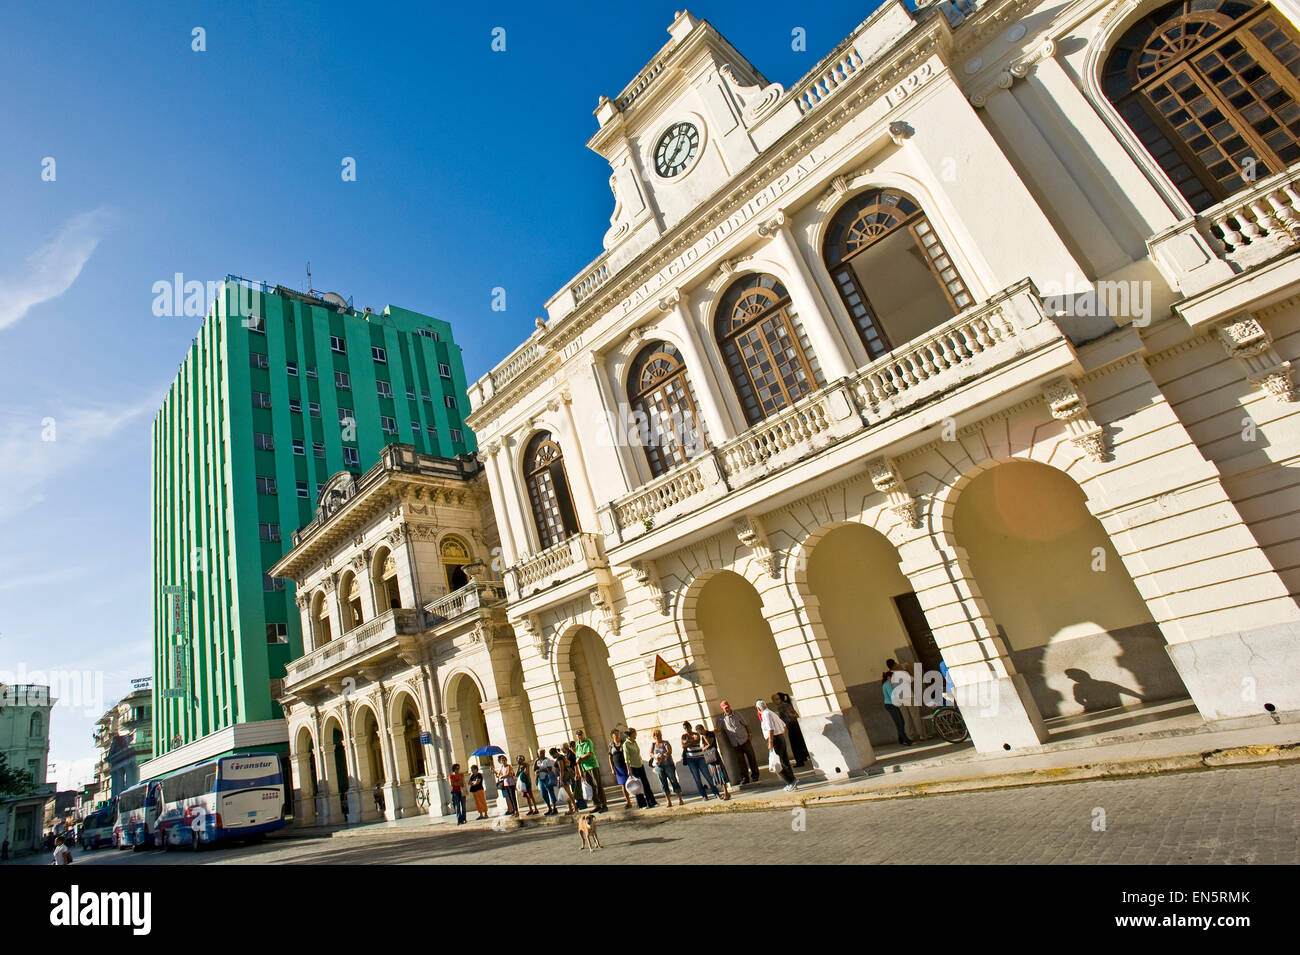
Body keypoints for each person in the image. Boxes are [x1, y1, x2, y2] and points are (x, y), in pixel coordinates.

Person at [756, 699, 797, 791]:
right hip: (780, 737)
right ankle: (792, 781)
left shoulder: (766, 714)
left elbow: (770, 728)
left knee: (778, 764)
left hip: (774, 739)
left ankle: (790, 781)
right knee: (784, 761)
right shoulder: (771, 712)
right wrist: (780, 735)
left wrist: (771, 741)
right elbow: (784, 726)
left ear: (759, 708)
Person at [719, 700, 761, 784]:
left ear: (729, 706)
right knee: (741, 762)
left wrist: (749, 734)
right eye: (725, 708)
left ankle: (755, 775)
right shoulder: (722, 719)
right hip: (735, 743)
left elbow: (746, 724)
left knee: (751, 758)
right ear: (722, 709)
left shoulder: (737, 714)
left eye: (727, 707)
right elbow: (719, 729)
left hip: (744, 739)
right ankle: (745, 778)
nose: (727, 709)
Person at [679, 721, 720, 800]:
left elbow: (696, 741)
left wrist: (688, 743)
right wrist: (689, 743)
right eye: (685, 728)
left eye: (687, 727)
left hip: (700, 757)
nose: (686, 730)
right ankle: (704, 795)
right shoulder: (684, 736)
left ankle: (716, 792)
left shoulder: (696, 734)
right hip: (690, 759)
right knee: (696, 778)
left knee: (707, 775)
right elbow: (683, 745)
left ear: (690, 727)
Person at [889, 659, 927, 741]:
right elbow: (913, 679)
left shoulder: (889, 675)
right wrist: (907, 669)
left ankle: (910, 736)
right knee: (915, 715)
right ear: (895, 664)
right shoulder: (901, 673)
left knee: (906, 718)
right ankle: (922, 735)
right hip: (908, 696)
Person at [622, 728, 657, 809]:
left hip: (640, 765)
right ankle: (642, 804)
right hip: (633, 766)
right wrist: (628, 770)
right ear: (631, 734)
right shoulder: (626, 744)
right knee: (637, 786)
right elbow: (626, 758)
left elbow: (638, 753)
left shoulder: (635, 742)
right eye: (635, 733)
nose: (636, 735)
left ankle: (651, 802)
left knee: (646, 784)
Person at [772, 692, 808, 767]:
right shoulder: (786, 704)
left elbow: (790, 714)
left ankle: (800, 761)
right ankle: (803, 757)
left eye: (775, 699)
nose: (774, 701)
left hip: (792, 725)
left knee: (795, 744)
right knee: (799, 742)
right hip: (794, 724)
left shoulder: (782, 706)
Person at [575, 729, 607, 812]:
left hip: (592, 766)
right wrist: (580, 771)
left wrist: (581, 758)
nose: (580, 736)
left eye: (581, 734)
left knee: (598, 785)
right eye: (578, 735)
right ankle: (597, 804)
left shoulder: (588, 741)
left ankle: (604, 804)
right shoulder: (577, 744)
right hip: (584, 768)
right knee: (591, 786)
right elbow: (577, 757)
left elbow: (589, 753)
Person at [649, 729, 682, 806]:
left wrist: (662, 755)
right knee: (663, 782)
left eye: (659, 735)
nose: (658, 737)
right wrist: (655, 756)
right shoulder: (653, 745)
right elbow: (650, 753)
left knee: (673, 780)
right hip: (659, 766)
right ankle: (668, 801)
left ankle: (679, 798)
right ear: (654, 737)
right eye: (656, 736)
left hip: (668, 764)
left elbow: (669, 751)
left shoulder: (665, 743)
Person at [698, 725, 731, 800]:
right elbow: (702, 748)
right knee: (715, 775)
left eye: (701, 732)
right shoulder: (702, 737)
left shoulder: (710, 734)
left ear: (703, 729)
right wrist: (704, 742)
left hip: (714, 756)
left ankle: (726, 792)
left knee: (721, 774)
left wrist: (705, 737)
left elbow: (709, 744)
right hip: (709, 758)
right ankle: (725, 792)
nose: (700, 734)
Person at [882, 669, 911, 746]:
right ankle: (906, 740)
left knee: (901, 722)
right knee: (900, 723)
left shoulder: (888, 684)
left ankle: (900, 739)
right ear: (889, 677)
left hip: (893, 705)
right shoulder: (887, 684)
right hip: (890, 705)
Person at [608, 729, 633, 808]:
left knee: (632, 781)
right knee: (623, 784)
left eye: (618, 734)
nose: (617, 735)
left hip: (626, 765)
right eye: (615, 734)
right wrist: (612, 768)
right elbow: (610, 757)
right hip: (618, 767)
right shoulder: (611, 745)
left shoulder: (624, 742)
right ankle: (628, 801)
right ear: (612, 736)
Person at [551, 746, 577, 815]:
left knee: (568, 793)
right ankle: (571, 808)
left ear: (554, 753)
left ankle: (574, 807)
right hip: (563, 777)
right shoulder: (561, 757)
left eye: (552, 755)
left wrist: (561, 780)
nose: (552, 757)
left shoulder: (559, 759)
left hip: (564, 777)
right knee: (567, 794)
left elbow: (561, 769)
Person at [564, 740, 588, 810]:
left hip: (574, 773)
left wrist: (577, 773)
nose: (572, 747)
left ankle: (582, 804)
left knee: (576, 789)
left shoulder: (571, 754)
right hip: (573, 774)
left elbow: (575, 764)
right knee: (575, 789)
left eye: (572, 746)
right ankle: (579, 803)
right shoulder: (570, 753)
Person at [534, 749, 558, 815]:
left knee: (550, 792)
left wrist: (541, 770)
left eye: (542, 753)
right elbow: (534, 769)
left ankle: (554, 807)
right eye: (540, 753)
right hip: (541, 779)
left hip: (547, 777)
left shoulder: (547, 760)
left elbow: (549, 769)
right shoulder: (538, 761)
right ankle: (549, 807)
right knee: (544, 794)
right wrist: (535, 761)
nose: (541, 754)